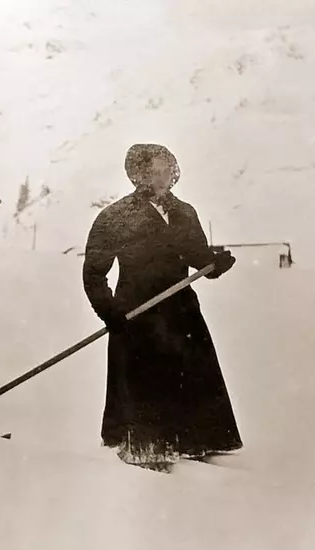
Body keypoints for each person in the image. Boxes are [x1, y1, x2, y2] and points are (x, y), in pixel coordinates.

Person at [82, 143, 241, 470]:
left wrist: (215, 262)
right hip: (137, 315)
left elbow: (198, 257)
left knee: (190, 377)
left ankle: (196, 443)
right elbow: (94, 274)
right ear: (139, 174)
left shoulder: (185, 212)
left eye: (168, 168)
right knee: (145, 383)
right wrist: (109, 311)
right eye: (156, 169)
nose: (165, 175)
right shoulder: (115, 217)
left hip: (181, 312)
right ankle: (148, 449)